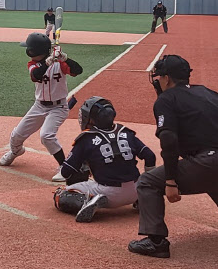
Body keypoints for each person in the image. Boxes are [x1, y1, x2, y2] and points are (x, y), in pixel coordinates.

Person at [128, 55, 218, 258]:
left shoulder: (166, 99)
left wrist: (170, 180)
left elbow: (169, 140)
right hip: (210, 162)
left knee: (147, 182)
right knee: (212, 178)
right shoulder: (208, 93)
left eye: (159, 77)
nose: (157, 81)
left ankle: (156, 242)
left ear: (167, 78)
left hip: (208, 162)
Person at [53, 96, 156, 223]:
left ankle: (87, 201)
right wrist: (147, 182)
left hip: (109, 194)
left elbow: (65, 172)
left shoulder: (86, 138)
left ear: (92, 119)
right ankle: (143, 198)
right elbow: (150, 156)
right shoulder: (125, 132)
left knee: (60, 195)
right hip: (136, 189)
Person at [0, 32, 83, 182]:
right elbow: (36, 75)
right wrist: (48, 62)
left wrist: (66, 59)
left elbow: (78, 70)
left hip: (58, 107)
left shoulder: (60, 64)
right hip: (39, 106)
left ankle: (65, 169)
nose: (28, 52)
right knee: (16, 135)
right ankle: (16, 151)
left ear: (37, 51)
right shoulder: (33, 64)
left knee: (46, 135)